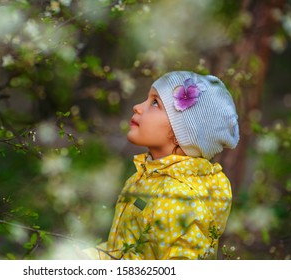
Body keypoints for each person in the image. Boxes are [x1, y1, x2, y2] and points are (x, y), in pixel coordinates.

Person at [90, 71, 239, 260]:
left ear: (183, 133)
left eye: (155, 103)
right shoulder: (144, 177)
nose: (137, 107)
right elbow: (120, 250)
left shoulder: (180, 199)